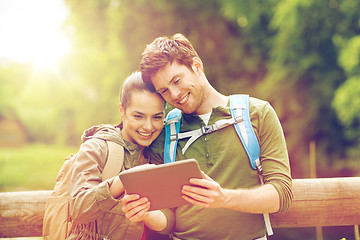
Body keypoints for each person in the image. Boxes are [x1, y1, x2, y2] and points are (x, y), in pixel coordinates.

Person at [121, 34, 293, 240]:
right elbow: (169, 220)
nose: (174, 94)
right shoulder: (165, 131)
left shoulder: (258, 114)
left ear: (197, 66)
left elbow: (282, 194)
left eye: (177, 80)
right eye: (164, 91)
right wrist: (146, 212)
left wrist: (224, 198)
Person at [67, 71, 168, 240]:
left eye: (157, 117)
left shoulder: (160, 152)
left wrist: (146, 214)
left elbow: (167, 221)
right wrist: (123, 180)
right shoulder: (97, 148)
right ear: (122, 109)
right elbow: (78, 209)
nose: (148, 126)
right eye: (138, 116)